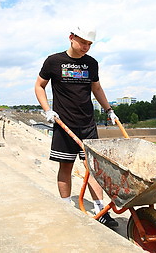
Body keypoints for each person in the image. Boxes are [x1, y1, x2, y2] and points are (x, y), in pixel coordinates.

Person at [35, 26, 120, 228]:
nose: (86, 47)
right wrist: (47, 109)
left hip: (87, 124)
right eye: (83, 42)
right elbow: (39, 85)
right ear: (71, 37)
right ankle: (65, 207)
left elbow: (96, 88)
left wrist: (109, 110)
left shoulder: (91, 63)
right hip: (64, 124)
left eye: (90, 44)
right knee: (65, 166)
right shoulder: (53, 61)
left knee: (93, 168)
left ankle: (100, 210)